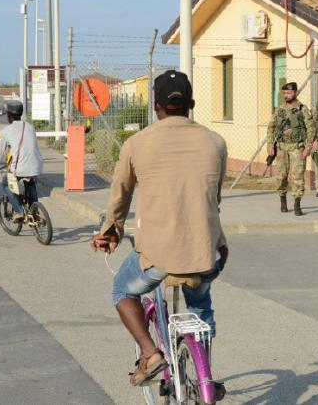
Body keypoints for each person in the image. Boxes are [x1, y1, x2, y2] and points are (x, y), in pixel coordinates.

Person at [91, 70, 229, 387]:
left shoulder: (136, 144)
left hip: (157, 257)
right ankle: (204, 374)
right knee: (200, 305)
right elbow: (214, 199)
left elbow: (120, 196)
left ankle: (150, 353)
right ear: (190, 104)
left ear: (156, 106)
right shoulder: (216, 143)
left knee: (122, 290)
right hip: (205, 252)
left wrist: (111, 231)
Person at [266, 82, 318, 216]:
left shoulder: (303, 109)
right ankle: (283, 199)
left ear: (295, 93)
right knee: (281, 176)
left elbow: (311, 129)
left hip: (297, 148)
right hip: (282, 147)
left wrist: (308, 147)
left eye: (288, 93)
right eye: (284, 93)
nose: (286, 95)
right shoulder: (279, 109)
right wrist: (270, 144)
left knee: (298, 176)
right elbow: (271, 127)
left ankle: (297, 204)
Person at [0, 101, 43, 222]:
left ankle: (19, 211)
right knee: (30, 183)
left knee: (6, 183)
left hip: (19, 168)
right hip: (36, 166)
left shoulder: (5, 131)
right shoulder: (30, 127)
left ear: (8, 116)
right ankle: (35, 211)